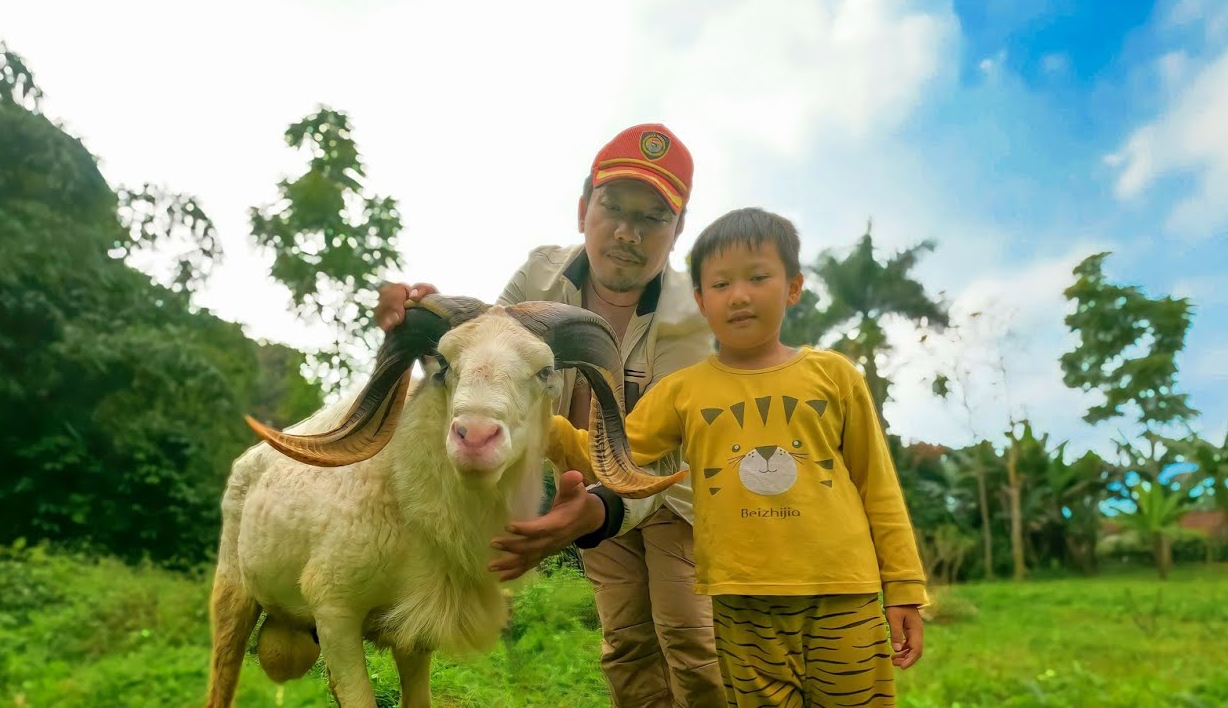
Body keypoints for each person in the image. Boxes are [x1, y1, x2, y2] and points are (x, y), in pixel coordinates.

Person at [376, 123, 727, 708]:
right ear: (584, 206)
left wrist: (596, 509)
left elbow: (669, 452)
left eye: (653, 218)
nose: (627, 233)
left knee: (692, 640)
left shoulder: (691, 317)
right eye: (613, 207)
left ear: (678, 230)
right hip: (585, 488)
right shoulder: (539, 276)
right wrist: (429, 318)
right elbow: (488, 358)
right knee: (628, 643)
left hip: (677, 495)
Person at [544, 207, 928, 707]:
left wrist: (903, 588)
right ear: (701, 302)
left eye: (759, 277)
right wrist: (531, 422)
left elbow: (877, 485)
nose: (740, 295)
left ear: (793, 287)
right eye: (720, 284)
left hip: (843, 598)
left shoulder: (835, 376)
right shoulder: (681, 391)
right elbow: (609, 458)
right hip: (739, 605)